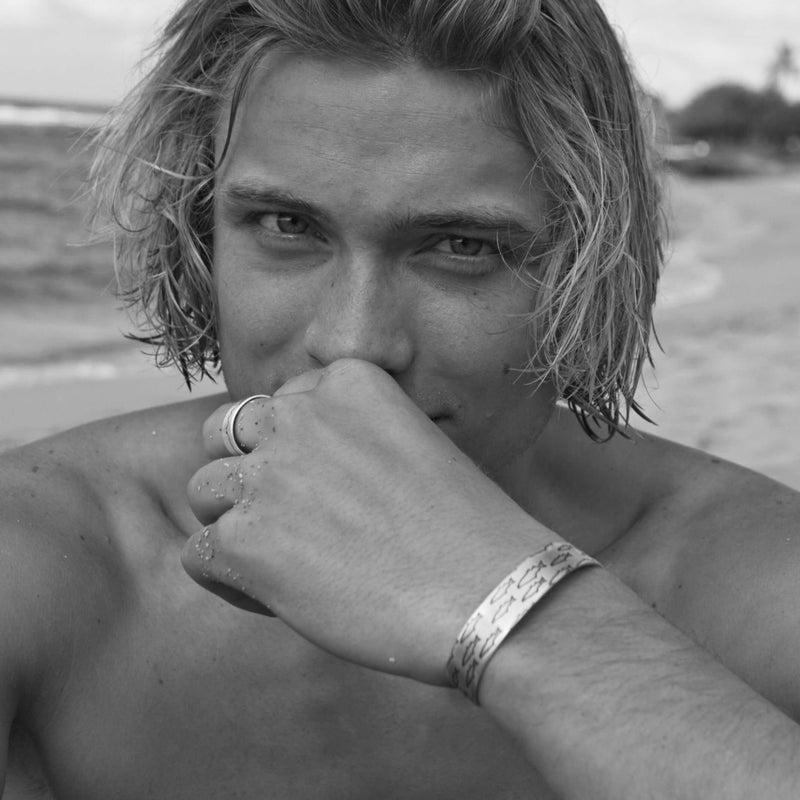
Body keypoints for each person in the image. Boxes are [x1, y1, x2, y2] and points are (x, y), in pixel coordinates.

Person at [0, 0, 798, 797]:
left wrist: (523, 614)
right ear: (197, 229)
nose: (352, 345)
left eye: (462, 247)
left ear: (589, 261)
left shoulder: (750, 585)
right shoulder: (48, 558)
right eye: (286, 224)